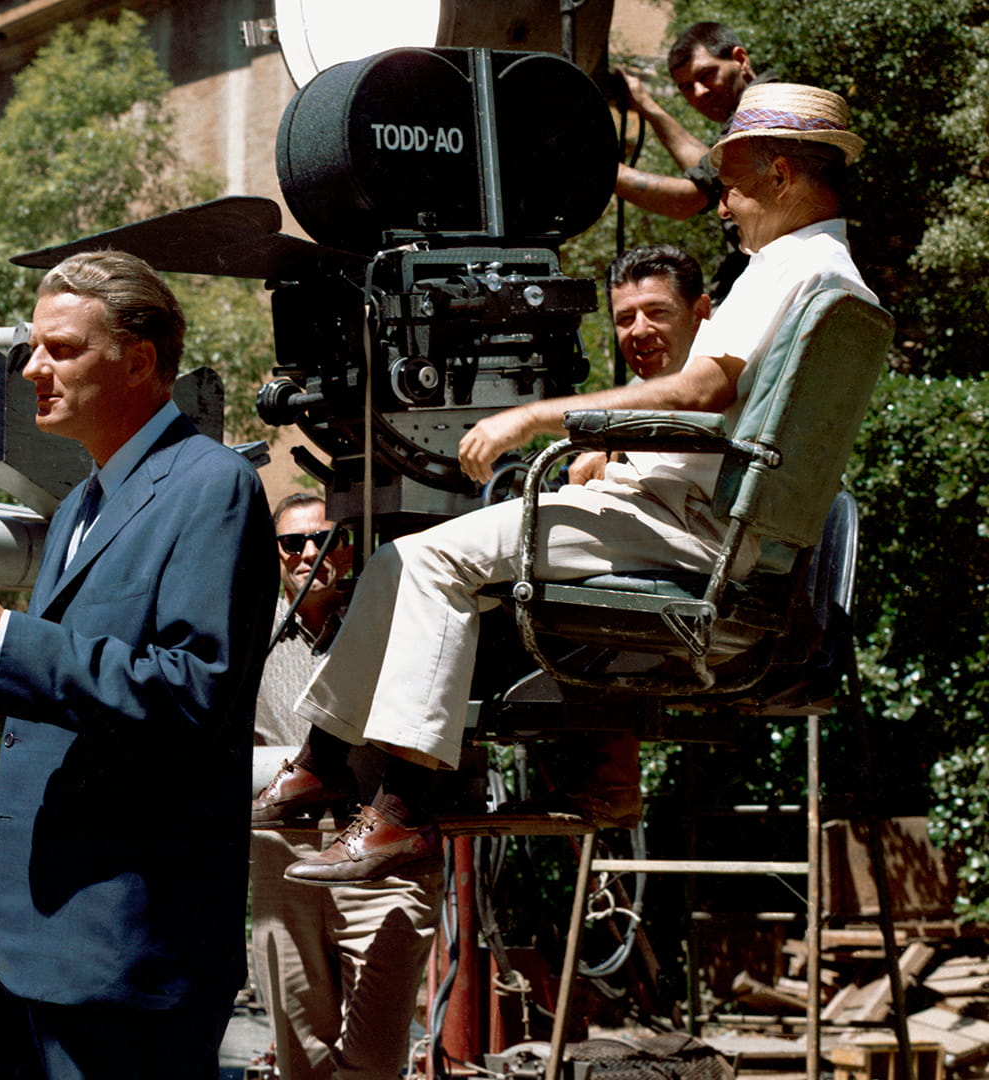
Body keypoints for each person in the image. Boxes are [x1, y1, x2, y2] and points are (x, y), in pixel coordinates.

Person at [264, 83, 874, 885]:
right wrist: (613, 451)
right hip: (701, 519)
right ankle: (323, 761)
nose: (723, 205)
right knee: (404, 561)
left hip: (676, 525)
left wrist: (536, 418)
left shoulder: (788, 267)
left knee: (432, 562)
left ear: (783, 174)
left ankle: (400, 809)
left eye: (731, 184)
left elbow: (703, 392)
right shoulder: (836, 278)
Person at [0, 250, 276, 1077]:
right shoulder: (79, 504)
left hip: (129, 948)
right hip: (44, 941)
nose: (33, 369)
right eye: (34, 348)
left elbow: (193, 690)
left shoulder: (212, 486)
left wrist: (6, 640)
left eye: (61, 349)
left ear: (138, 362)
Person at [250, 493, 443, 1080]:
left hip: (381, 866)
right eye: (294, 542)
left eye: (328, 540)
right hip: (283, 862)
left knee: (374, 1061)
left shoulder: (393, 625)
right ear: (276, 554)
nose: (310, 553)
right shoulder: (250, 634)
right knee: (300, 1058)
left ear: (353, 549)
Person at [614, 23, 764, 298]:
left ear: (740, 59)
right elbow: (711, 176)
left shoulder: (764, 112)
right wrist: (646, 106)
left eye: (707, 75)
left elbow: (689, 199)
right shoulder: (753, 111)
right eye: (686, 86)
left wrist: (592, 166)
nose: (699, 92)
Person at [569, 244, 713, 486]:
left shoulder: (726, 378)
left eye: (657, 312)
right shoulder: (640, 387)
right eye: (625, 318)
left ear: (699, 313)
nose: (640, 330)